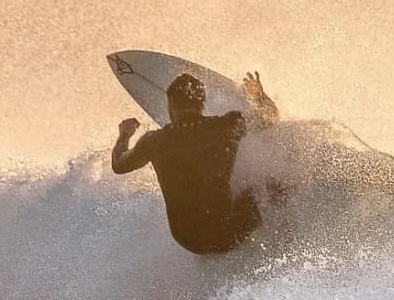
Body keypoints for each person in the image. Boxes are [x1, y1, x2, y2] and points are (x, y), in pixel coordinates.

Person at [112, 71, 279, 254]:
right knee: (270, 186)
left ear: (171, 105)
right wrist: (259, 96)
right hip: (229, 233)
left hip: (189, 241)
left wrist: (124, 135)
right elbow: (270, 117)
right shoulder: (227, 126)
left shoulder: (153, 142)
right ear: (202, 103)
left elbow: (119, 165)